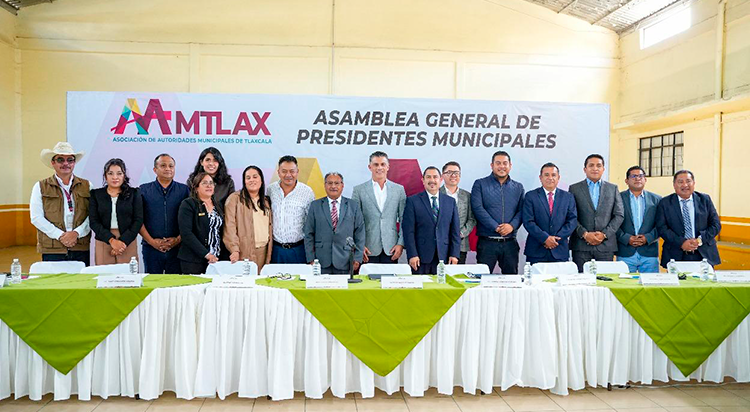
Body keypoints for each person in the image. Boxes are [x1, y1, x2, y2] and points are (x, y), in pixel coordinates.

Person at [30, 142, 92, 265]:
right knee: (54, 278)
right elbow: (36, 217)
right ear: (53, 163)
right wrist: (60, 235)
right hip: (52, 248)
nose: (65, 163)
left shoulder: (87, 186)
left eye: (70, 160)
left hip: (80, 246)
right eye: (60, 160)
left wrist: (76, 233)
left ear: (74, 163)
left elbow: (93, 215)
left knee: (80, 277)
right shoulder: (40, 186)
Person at [470, 151, 525, 274]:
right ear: (492, 165)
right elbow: (477, 208)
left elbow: (522, 211)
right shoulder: (480, 184)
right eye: (498, 163)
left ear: (510, 165)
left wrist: (511, 226)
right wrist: (496, 227)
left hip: (510, 243)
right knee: (482, 279)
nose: (502, 166)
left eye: (505, 163)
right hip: (487, 243)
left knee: (511, 279)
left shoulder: (518, 187)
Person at [569, 154, 624, 272]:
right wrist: (584, 234)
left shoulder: (612, 188)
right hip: (581, 246)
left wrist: (604, 234)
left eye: (599, 166)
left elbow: (619, 215)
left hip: (606, 246)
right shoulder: (574, 188)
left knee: (605, 279)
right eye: (591, 165)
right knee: (581, 280)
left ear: (603, 169)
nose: (595, 168)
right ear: (585, 169)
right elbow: (571, 216)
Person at [655, 170, 721, 268]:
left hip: (703, 253)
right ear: (674, 185)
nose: (685, 185)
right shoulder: (665, 203)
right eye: (680, 182)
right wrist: (681, 242)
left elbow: (716, 225)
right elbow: (662, 228)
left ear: (694, 183)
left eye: (688, 181)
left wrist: (699, 240)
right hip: (676, 254)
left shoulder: (705, 199)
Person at [303, 172, 365, 274]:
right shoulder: (315, 206)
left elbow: (360, 233)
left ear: (342, 185)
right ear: (325, 185)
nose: (333, 186)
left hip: (346, 261)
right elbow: (308, 234)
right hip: (320, 262)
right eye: (330, 183)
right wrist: (310, 258)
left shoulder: (353, 206)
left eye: (336, 183)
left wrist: (358, 258)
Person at [351, 151, 407, 264]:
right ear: (370, 167)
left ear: (388, 167)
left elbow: (404, 219)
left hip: (391, 248)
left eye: (383, 164)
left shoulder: (399, 190)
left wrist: (400, 244)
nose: (379, 168)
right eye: (376, 164)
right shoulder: (359, 190)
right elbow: (354, 220)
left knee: (390, 276)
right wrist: (359, 245)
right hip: (367, 248)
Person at [403, 167, 461, 274]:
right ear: (423, 180)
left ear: (441, 179)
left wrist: (454, 254)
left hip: (444, 256)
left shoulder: (450, 202)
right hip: (420, 258)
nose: (432, 180)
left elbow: (455, 231)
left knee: (441, 285)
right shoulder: (412, 201)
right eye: (428, 177)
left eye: (435, 177)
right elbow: (408, 231)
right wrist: (412, 254)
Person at [139, 154, 190, 274]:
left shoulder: (184, 190)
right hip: (151, 248)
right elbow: (138, 220)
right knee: (152, 282)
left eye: (171, 166)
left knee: (174, 283)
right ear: (155, 169)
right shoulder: (143, 190)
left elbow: (190, 220)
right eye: (163, 165)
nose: (168, 169)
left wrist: (177, 240)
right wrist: (152, 242)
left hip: (177, 248)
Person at [89, 158, 144, 265]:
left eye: (119, 173)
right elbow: (94, 221)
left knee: (127, 274)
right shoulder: (96, 194)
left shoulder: (134, 193)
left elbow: (138, 220)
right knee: (104, 274)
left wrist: (122, 242)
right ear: (105, 176)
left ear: (124, 175)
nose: (115, 177)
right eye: (110, 173)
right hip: (104, 239)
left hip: (127, 240)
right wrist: (112, 241)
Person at [522, 163, 578, 264]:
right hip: (536, 250)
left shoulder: (568, 197)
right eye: (546, 175)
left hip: (559, 249)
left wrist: (555, 240)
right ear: (540, 178)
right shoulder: (531, 196)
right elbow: (528, 221)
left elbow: (572, 221)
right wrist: (545, 238)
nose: (550, 178)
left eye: (553, 175)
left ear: (558, 177)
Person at [223, 165, 273, 272]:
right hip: (243, 251)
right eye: (248, 178)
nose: (251, 180)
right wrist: (234, 249)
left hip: (264, 251)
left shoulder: (266, 202)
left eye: (255, 177)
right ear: (244, 182)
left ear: (261, 180)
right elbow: (229, 227)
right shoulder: (234, 199)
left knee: (261, 280)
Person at [267, 155, 315, 263]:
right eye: (284, 171)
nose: (288, 175)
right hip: (276, 249)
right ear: (278, 172)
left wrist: (311, 254)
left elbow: (311, 224)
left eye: (292, 171)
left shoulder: (307, 192)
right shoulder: (271, 190)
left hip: (299, 249)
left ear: (297, 172)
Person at [616, 166, 661, 273]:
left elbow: (661, 224)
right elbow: (612, 222)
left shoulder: (657, 199)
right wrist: (626, 238)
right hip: (625, 252)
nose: (637, 178)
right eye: (633, 176)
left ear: (645, 179)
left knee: (650, 283)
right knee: (624, 283)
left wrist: (647, 238)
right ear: (626, 181)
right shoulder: (617, 198)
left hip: (649, 253)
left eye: (641, 176)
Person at [178, 172, 224, 274]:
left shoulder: (218, 205)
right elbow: (186, 233)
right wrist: (206, 254)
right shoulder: (188, 204)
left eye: (211, 183)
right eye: (204, 183)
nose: (209, 185)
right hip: (193, 260)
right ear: (196, 188)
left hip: (216, 259)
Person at [439, 161, 476, 264]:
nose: (453, 175)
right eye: (449, 172)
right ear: (442, 175)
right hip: (439, 244)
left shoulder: (467, 196)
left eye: (456, 172)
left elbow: (472, 219)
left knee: (458, 273)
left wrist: (461, 233)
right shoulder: (436, 194)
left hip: (460, 244)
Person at [187, 147, 234, 214]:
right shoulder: (192, 181)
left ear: (219, 163)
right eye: (208, 160)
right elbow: (189, 205)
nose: (211, 163)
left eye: (215, 160)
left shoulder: (228, 182)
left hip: (221, 219)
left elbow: (231, 207)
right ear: (201, 162)